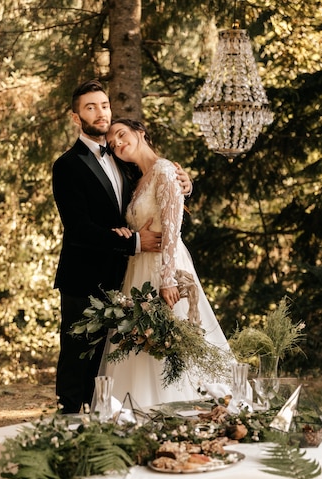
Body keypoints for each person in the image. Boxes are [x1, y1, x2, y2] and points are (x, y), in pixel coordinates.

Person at [52, 80, 192, 414]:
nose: (100, 113)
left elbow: (160, 194)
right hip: (84, 277)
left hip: (126, 279)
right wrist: (135, 243)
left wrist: (186, 183)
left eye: (103, 105)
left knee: (115, 361)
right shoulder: (67, 166)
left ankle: (108, 422)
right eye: (90, 107)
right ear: (76, 117)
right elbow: (78, 229)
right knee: (78, 359)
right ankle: (71, 427)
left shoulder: (125, 160)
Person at [99, 118, 230, 408]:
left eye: (121, 134)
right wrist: (125, 233)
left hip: (163, 268)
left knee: (175, 343)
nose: (117, 143)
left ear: (140, 132)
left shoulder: (165, 170)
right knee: (141, 344)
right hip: (138, 271)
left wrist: (168, 279)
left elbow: (172, 228)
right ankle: (138, 410)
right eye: (112, 143)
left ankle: (183, 409)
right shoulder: (137, 180)